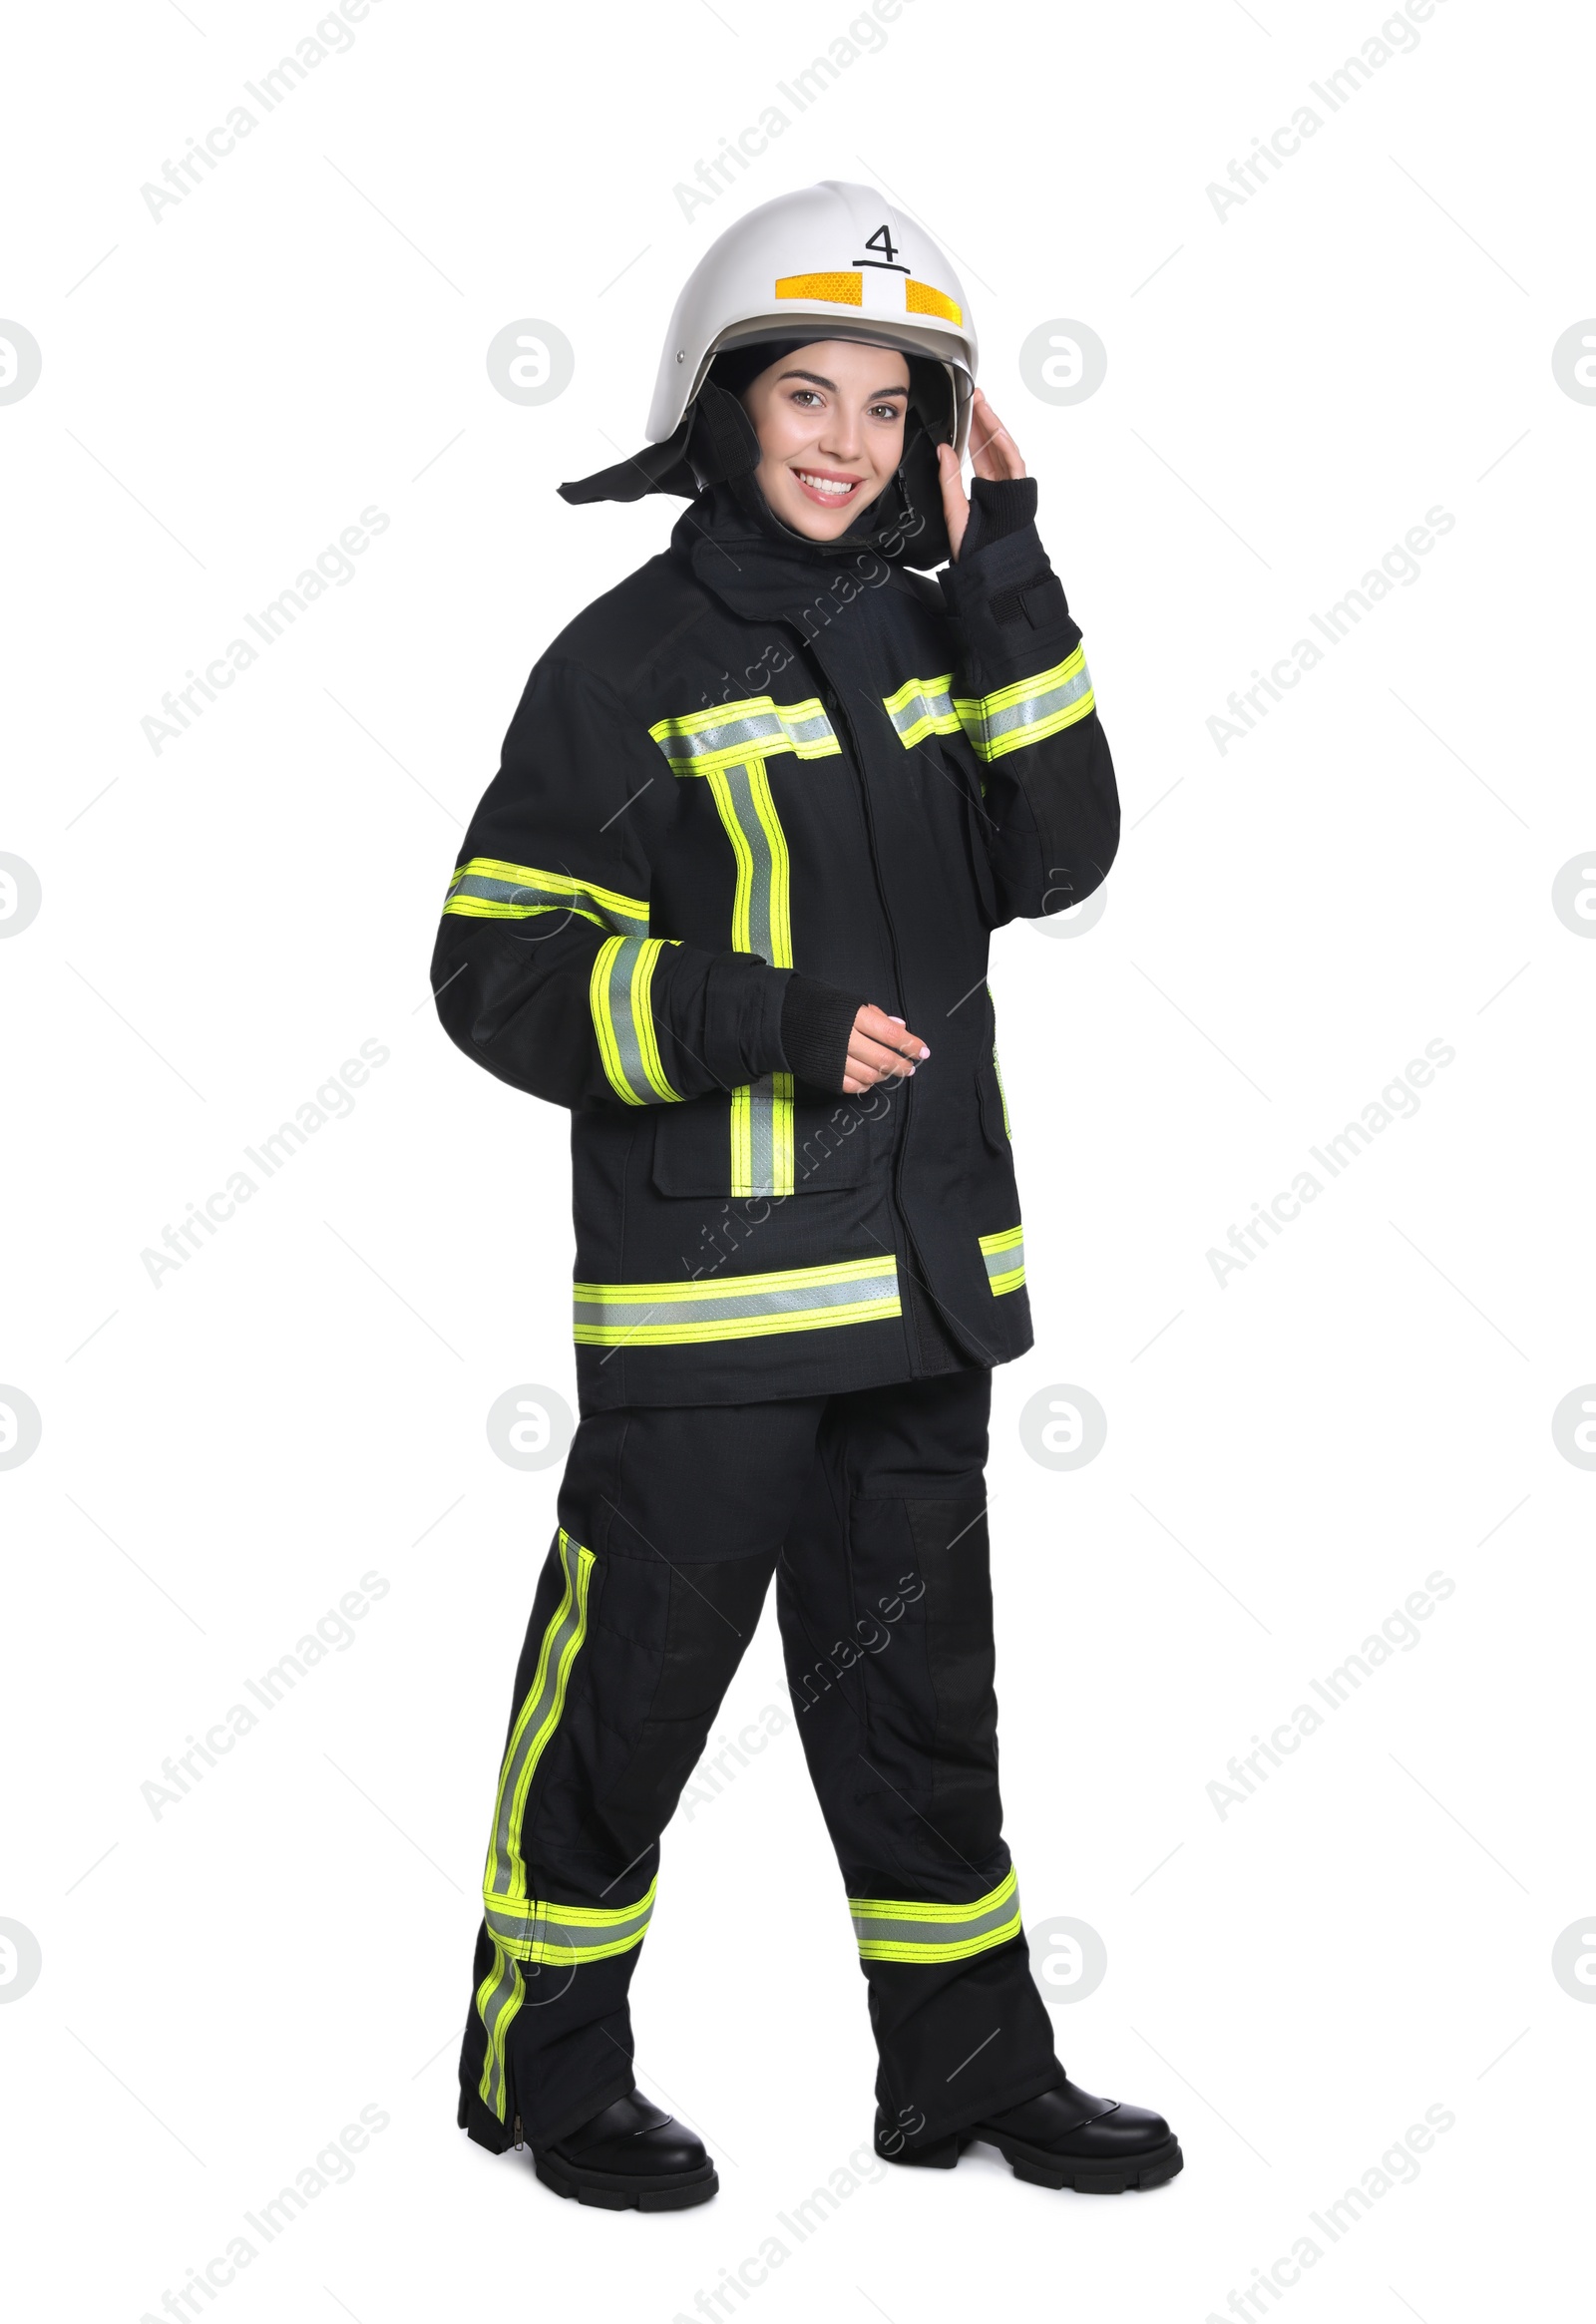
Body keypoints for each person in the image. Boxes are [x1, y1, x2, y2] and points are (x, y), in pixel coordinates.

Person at [432, 180, 1180, 2211]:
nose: (845, 442)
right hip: (713, 1307)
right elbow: (491, 966)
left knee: (926, 1706)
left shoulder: (949, 624)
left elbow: (1062, 852)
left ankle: (958, 2066)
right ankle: (542, 2061)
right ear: (722, 405)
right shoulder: (625, 659)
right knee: (628, 1708)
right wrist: (753, 1015)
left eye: (888, 403)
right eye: (805, 396)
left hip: (922, 1284)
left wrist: (1007, 563)